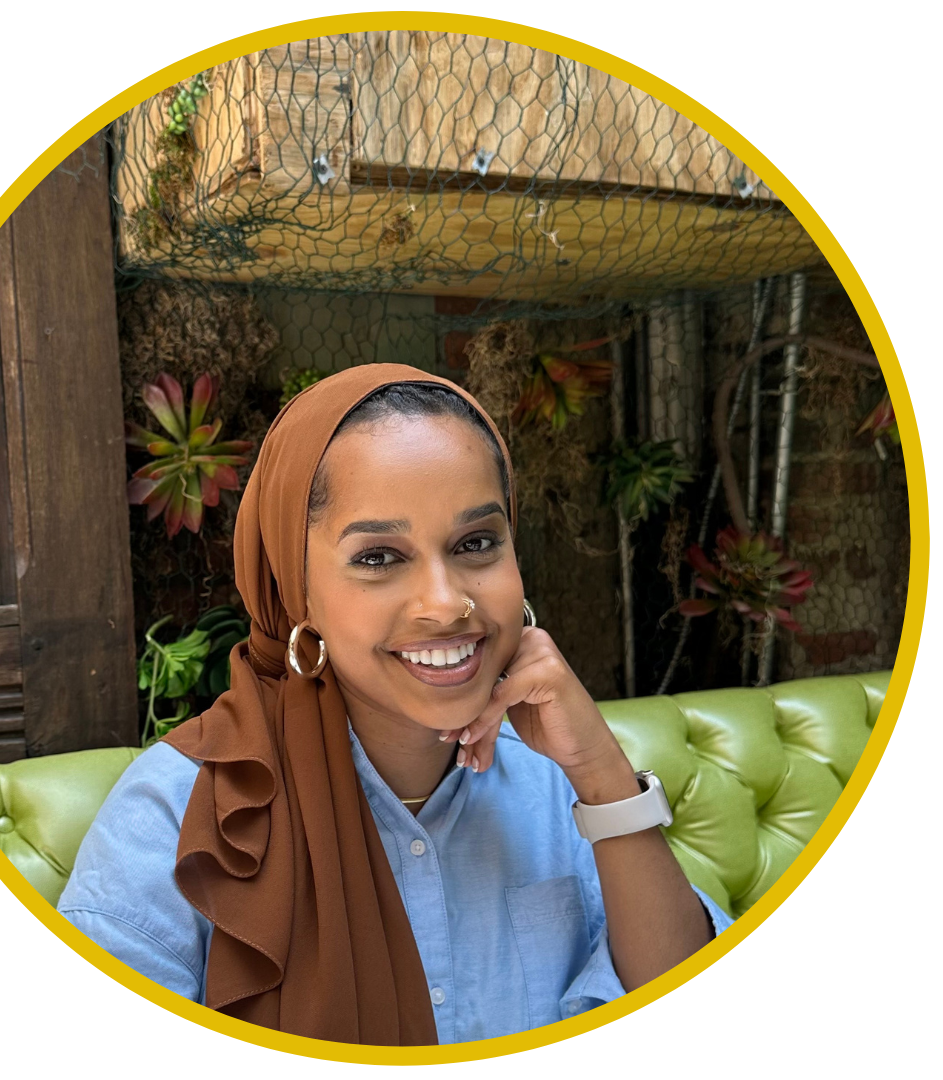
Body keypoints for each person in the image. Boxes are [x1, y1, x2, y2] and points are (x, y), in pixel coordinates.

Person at [58, 363, 733, 1045]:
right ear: (299, 590)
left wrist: (601, 777)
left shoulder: (557, 782)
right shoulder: (181, 817)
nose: (446, 603)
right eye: (379, 557)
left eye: (476, 543)